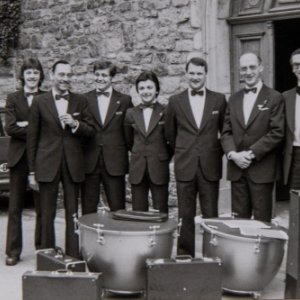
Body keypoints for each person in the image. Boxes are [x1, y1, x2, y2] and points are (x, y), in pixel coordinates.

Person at [27, 60, 95, 258]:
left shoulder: (80, 100)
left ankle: (73, 256)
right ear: (52, 75)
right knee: (46, 213)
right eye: (62, 75)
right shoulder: (40, 102)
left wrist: (75, 124)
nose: (66, 79)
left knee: (72, 212)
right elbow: (32, 138)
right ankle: (47, 256)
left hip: (73, 165)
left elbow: (90, 130)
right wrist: (32, 172)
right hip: (46, 164)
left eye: (69, 75)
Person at [164, 57, 227, 256]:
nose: (195, 77)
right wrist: (185, 150)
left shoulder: (218, 99)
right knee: (185, 215)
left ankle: (212, 257)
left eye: (199, 73)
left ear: (205, 75)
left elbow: (225, 131)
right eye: (191, 73)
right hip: (185, 165)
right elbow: (170, 133)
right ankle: (185, 256)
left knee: (211, 215)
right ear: (186, 74)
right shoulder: (175, 101)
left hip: (210, 165)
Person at [221, 52, 285, 223]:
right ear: (239, 72)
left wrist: (249, 154)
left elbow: (277, 132)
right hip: (237, 169)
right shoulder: (233, 99)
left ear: (261, 68)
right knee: (239, 222)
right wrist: (233, 155)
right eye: (244, 68)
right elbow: (226, 132)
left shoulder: (275, 97)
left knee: (262, 223)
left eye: (252, 67)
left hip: (261, 169)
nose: (248, 72)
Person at [5, 58, 45, 266]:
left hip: (41, 158)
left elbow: (50, 129)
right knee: (15, 206)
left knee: (41, 206)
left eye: (35, 72)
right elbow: (10, 128)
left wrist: (26, 125)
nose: (32, 76)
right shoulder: (12, 98)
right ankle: (13, 251)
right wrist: (34, 128)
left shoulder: (47, 97)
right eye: (28, 72)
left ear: (40, 76)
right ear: (23, 76)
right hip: (19, 159)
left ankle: (41, 248)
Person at [81, 61, 132, 214]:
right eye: (97, 75)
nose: (100, 78)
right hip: (90, 161)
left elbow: (129, 131)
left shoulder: (124, 100)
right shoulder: (84, 99)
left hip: (114, 162)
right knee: (88, 210)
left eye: (104, 75)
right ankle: (89, 238)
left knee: (118, 209)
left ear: (112, 78)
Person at [124, 71, 172, 214]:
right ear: (138, 91)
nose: (146, 92)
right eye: (142, 88)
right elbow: (128, 140)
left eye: (149, 88)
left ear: (156, 89)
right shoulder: (130, 113)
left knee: (160, 210)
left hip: (159, 166)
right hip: (137, 168)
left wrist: (162, 156)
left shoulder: (167, 111)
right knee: (138, 211)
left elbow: (171, 139)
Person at [283, 48, 300, 190]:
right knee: (296, 202)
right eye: (296, 64)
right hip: (295, 156)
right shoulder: (286, 97)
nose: (299, 68)